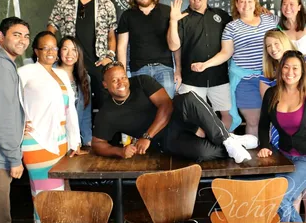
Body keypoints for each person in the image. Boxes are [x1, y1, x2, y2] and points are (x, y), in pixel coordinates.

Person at [92, 61, 258, 164]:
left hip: (178, 117)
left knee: (188, 99)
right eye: (114, 80)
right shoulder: (107, 113)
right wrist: (119, 151)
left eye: (123, 77)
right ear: (105, 85)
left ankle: (227, 140)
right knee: (202, 153)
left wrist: (147, 136)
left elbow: (166, 105)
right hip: (166, 140)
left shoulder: (142, 81)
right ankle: (234, 141)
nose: (121, 83)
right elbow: (98, 143)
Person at [191, 0, 279, 135]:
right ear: (237, 5)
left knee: (275, 119)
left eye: (249, 1)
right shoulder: (231, 27)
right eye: (242, 1)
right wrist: (205, 64)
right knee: (253, 121)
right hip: (246, 81)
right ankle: (253, 157)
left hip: (272, 78)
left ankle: (272, 153)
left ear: (255, 3)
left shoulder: (270, 19)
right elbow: (226, 53)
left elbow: (289, 30)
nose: (246, 5)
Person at [18, 31, 82, 223]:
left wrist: (74, 142)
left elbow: (70, 110)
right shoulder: (24, 72)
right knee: (45, 197)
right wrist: (19, 125)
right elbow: (7, 100)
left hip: (61, 142)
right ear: (36, 51)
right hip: (36, 141)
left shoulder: (62, 73)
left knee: (59, 196)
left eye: (54, 47)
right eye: (45, 47)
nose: (51, 51)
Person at [47, 0, 117, 110]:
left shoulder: (106, 5)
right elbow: (51, 28)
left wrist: (109, 57)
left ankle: (98, 133)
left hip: (98, 62)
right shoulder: (64, 3)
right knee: (71, 104)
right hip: (71, 62)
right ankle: (74, 133)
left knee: (103, 105)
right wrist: (54, 52)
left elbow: (112, 34)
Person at [167, 0, 232, 129]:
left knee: (226, 114)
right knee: (191, 117)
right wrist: (173, 22)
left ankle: (223, 144)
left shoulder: (221, 15)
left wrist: (259, 12)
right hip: (192, 79)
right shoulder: (181, 18)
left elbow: (240, 25)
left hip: (219, 77)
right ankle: (202, 147)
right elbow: (174, 46)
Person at [258, 50, 306, 223]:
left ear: (302, 71)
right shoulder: (272, 93)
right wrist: (264, 145)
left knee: (280, 197)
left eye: (295, 68)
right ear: (280, 69)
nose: (290, 72)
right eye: (286, 67)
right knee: (273, 197)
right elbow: (263, 124)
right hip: (283, 157)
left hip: (305, 159)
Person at [117, 0, 178, 99]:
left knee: (167, 108)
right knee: (142, 110)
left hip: (164, 69)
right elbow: (122, 47)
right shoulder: (127, 16)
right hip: (138, 70)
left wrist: (179, 70)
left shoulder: (167, 11)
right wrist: (122, 73)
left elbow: (176, 46)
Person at [0, 17, 30, 223]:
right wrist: (14, 158)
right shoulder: (1, 65)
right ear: (0, 36)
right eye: (16, 35)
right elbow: (0, 117)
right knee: (0, 222)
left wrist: (19, 125)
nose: (22, 40)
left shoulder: (4, 63)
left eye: (26, 36)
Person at [57, 36, 92, 146]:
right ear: (59, 51)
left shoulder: (84, 77)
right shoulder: (52, 74)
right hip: (56, 135)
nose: (69, 54)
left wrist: (87, 140)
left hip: (74, 137)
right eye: (65, 49)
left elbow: (86, 112)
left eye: (74, 50)